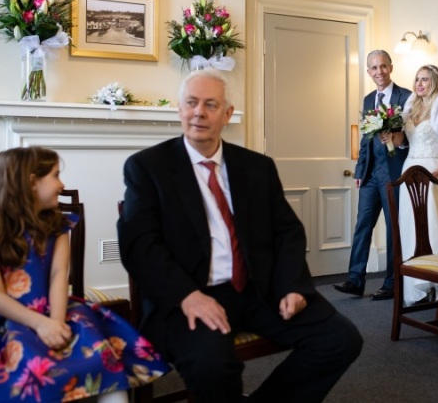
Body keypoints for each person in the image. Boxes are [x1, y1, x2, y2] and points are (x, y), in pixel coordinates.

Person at [117, 70, 362, 402]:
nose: (198, 112)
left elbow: (286, 231)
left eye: (210, 104)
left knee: (340, 339)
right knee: (214, 366)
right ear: (179, 109)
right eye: (191, 103)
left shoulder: (256, 167)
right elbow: (140, 245)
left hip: (257, 291)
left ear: (228, 114)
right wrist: (187, 295)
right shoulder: (148, 167)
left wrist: (292, 285)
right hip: (190, 297)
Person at [0, 146, 169, 403]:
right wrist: (40, 324)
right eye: (55, 175)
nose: (62, 183)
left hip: (54, 309)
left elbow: (58, 275)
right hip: (10, 317)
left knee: (100, 352)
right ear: (32, 182)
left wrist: (56, 321)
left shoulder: (58, 225)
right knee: (25, 362)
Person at [334, 50, 412, 301]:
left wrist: (398, 141)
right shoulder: (369, 99)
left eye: (383, 66)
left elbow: (414, 136)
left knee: (392, 228)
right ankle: (356, 279)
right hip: (370, 174)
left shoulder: (407, 97)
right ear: (368, 72)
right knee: (362, 225)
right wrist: (359, 170)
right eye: (374, 68)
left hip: (394, 172)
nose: (379, 72)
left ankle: (391, 282)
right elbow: (365, 138)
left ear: (391, 67)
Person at [393, 65, 438, 305]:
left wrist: (435, 173)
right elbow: (402, 143)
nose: (419, 84)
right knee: (411, 226)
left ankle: (436, 281)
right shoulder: (410, 108)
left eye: (425, 80)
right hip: (409, 169)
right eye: (417, 79)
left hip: (432, 172)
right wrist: (391, 137)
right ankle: (416, 285)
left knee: (432, 224)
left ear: (435, 82)